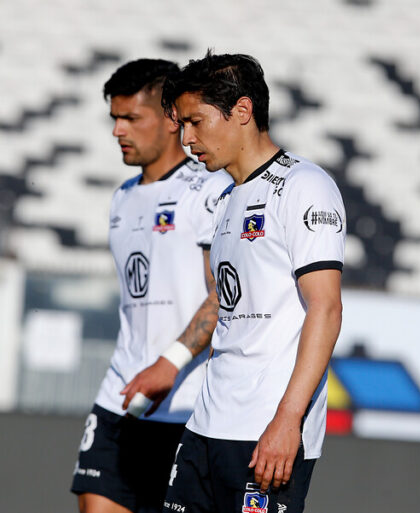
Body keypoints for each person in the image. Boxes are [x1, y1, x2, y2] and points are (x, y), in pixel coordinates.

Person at [158, 52, 345, 513]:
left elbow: (326, 308)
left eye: (196, 122)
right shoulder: (224, 199)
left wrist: (287, 420)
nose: (187, 139)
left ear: (242, 112)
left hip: (266, 434)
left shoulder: (305, 186)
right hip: (205, 426)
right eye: (182, 125)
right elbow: (225, 308)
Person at [70, 59, 233, 513]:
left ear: (169, 120)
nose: (119, 130)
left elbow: (224, 296)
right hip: (120, 396)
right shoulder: (122, 197)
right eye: (114, 119)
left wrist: (171, 362)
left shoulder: (208, 190)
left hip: (185, 404)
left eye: (131, 118)